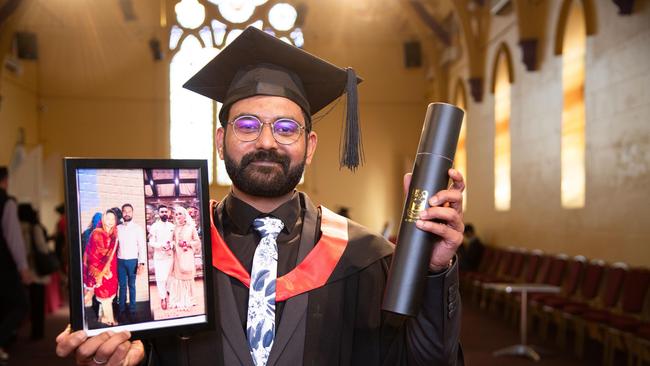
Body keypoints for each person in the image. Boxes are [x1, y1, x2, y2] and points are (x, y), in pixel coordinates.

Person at [56, 27, 465, 365]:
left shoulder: (363, 257)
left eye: (287, 128)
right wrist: (114, 359)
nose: (267, 141)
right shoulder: (171, 250)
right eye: (247, 125)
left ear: (311, 145)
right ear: (220, 141)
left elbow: (425, 360)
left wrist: (433, 272)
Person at [0, 167, 32, 362]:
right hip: (4, 266)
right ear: (5, 180)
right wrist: (23, 268)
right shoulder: (6, 202)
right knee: (21, 305)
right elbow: (13, 238)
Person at [18, 203, 52, 340]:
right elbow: (42, 248)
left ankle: (25, 331)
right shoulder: (34, 227)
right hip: (37, 271)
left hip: (22, 270)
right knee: (38, 303)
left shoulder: (18, 227)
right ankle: (38, 332)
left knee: (29, 303)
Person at [83, 210, 119, 326]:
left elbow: (113, 253)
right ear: (103, 219)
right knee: (105, 296)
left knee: (109, 294)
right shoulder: (97, 233)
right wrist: (103, 271)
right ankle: (110, 321)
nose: (110, 222)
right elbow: (95, 254)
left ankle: (102, 319)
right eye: (107, 219)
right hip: (99, 270)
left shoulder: (115, 233)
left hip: (112, 268)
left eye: (113, 219)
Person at [116, 203, 147, 323]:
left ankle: (133, 311)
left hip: (133, 261)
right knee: (122, 286)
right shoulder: (118, 228)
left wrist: (142, 263)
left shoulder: (138, 228)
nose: (127, 213)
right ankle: (121, 311)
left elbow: (141, 247)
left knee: (132, 286)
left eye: (129, 211)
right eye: (125, 211)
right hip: (120, 261)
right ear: (122, 213)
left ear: (132, 213)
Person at [168, 206, 200, 310]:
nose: (178, 216)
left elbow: (197, 242)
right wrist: (171, 244)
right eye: (176, 214)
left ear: (184, 215)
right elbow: (172, 240)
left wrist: (187, 243)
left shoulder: (191, 227)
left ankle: (190, 298)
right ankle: (179, 299)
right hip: (177, 256)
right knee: (178, 277)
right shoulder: (175, 228)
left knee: (187, 275)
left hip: (187, 255)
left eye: (180, 214)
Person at [148, 205, 175, 310]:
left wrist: (171, 245)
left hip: (170, 256)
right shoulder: (154, 226)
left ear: (168, 213)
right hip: (159, 257)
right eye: (162, 212)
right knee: (160, 278)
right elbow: (151, 242)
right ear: (158, 214)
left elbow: (174, 239)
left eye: (165, 211)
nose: (164, 213)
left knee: (170, 277)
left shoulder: (172, 226)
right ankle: (163, 298)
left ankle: (169, 294)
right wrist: (161, 246)